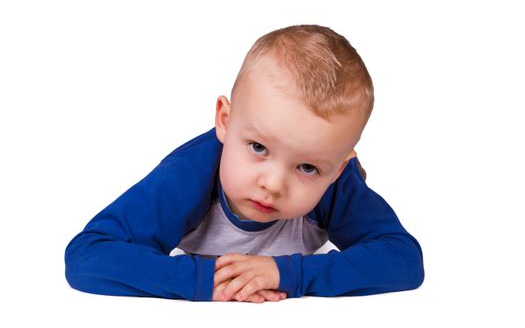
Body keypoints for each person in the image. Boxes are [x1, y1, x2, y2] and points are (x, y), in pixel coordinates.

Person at [65, 25, 424, 303]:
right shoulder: (189, 175)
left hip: (338, 182)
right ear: (224, 119)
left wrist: (286, 274)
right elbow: (88, 256)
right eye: (257, 147)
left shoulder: (337, 182)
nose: (273, 183)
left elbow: (404, 261)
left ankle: (349, 171)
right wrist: (210, 282)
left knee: (346, 191)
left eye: (307, 167)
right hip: (202, 175)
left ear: (337, 167)